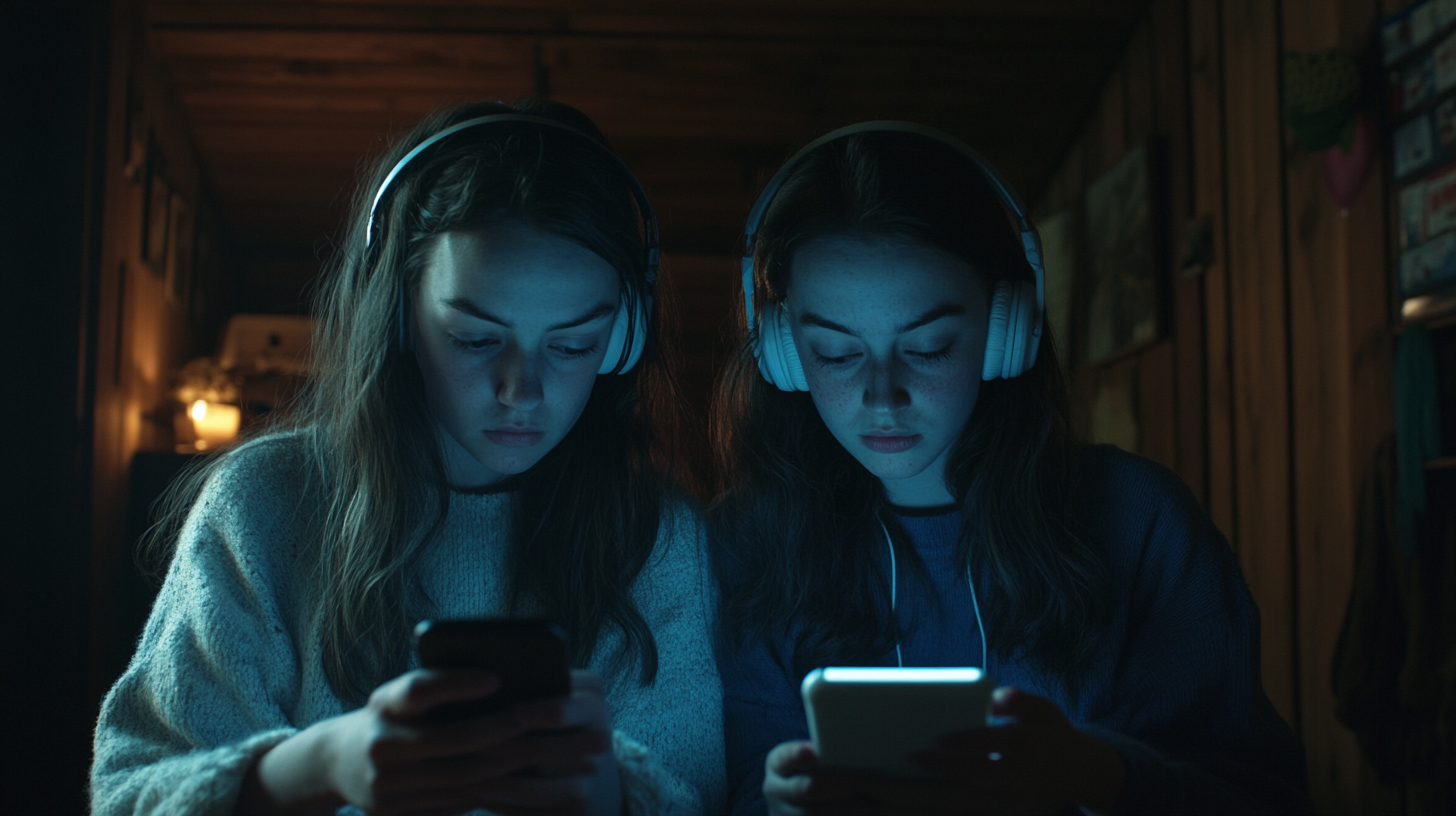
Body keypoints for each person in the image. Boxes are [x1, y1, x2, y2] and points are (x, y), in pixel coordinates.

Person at [92, 99, 725, 816]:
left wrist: (612, 795)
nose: (523, 391)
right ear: (397, 317)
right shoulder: (264, 504)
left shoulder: (653, 531)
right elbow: (126, 795)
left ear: (624, 341)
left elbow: (692, 794)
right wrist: (315, 766)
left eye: (574, 344)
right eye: (476, 338)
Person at [709, 122, 1310, 815]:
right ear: (783, 356)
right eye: (836, 355)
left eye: (929, 346)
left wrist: (1101, 774)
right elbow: (738, 786)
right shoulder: (744, 546)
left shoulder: (1140, 520)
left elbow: (1264, 800)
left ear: (1007, 331)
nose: (881, 396)